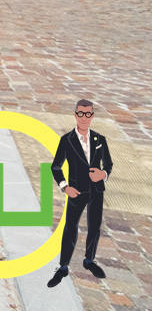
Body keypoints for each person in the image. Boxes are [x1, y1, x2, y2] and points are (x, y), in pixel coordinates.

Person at [47, 98, 113, 288]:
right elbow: (56, 166)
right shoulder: (67, 140)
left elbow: (108, 163)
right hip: (76, 191)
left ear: (92, 116)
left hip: (96, 189)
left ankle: (89, 261)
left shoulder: (100, 140)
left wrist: (103, 174)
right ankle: (63, 266)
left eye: (88, 114)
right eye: (81, 114)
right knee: (70, 227)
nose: (84, 118)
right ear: (76, 114)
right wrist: (65, 187)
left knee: (95, 225)